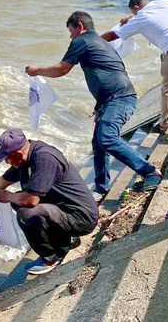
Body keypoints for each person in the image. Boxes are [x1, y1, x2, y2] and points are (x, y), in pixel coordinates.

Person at [25, 11, 161, 199]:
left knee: (106, 138)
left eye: (71, 31)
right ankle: (101, 187)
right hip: (113, 99)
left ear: (80, 26)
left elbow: (62, 69)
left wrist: (36, 70)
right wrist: (100, 107)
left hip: (120, 99)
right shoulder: (99, 42)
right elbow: (107, 73)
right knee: (98, 143)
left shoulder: (82, 40)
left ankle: (150, 172)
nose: (70, 36)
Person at [0, 128, 98, 276]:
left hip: (82, 218)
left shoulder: (44, 158)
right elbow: (0, 182)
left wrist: (7, 196)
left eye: (6, 159)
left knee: (27, 212)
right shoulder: (24, 159)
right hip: (63, 210)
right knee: (18, 200)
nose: (7, 163)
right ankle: (66, 240)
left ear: (18, 154)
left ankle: (51, 257)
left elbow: (31, 201)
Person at [101, 0, 168, 132]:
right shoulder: (165, 0)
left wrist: (92, 41)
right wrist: (130, 18)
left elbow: (112, 35)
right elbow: (151, 13)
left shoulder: (140, 18)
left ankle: (165, 123)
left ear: (136, 8)